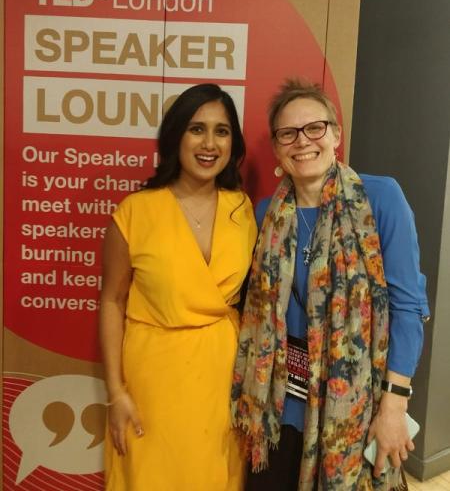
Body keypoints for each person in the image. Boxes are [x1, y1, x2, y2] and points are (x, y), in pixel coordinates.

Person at [231, 79, 430, 490]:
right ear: (277, 146)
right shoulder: (267, 213)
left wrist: (394, 404)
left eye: (315, 128)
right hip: (280, 406)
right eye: (288, 133)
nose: (302, 141)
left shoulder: (381, 198)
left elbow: (408, 307)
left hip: (353, 407)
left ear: (336, 135)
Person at [100, 83, 257, 491]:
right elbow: (112, 302)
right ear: (175, 138)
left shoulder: (243, 210)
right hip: (153, 383)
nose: (209, 144)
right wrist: (116, 393)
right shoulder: (134, 212)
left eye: (221, 131)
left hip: (223, 380)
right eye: (196, 129)